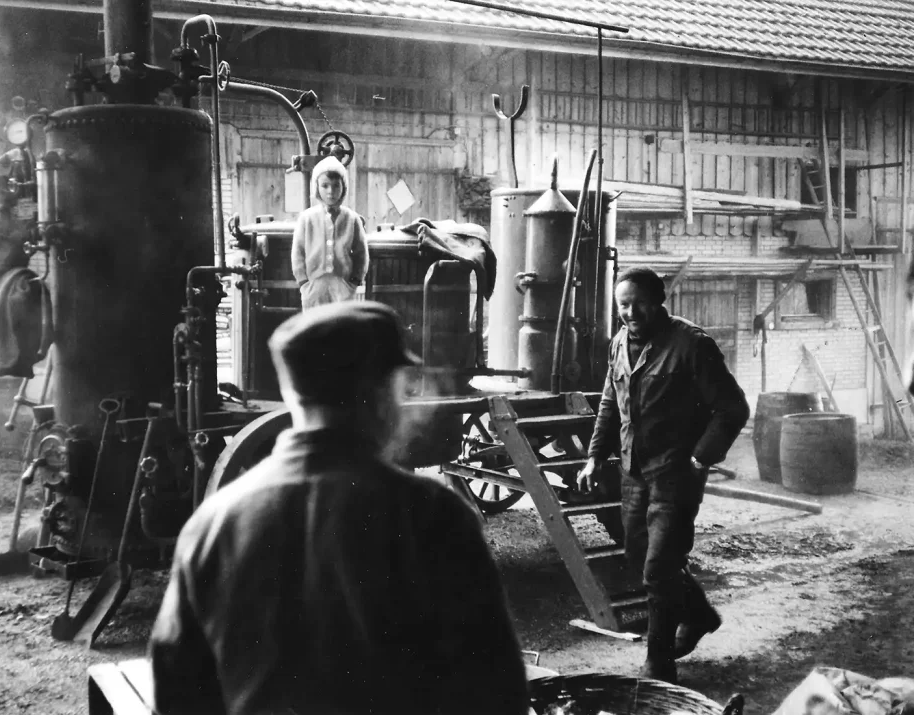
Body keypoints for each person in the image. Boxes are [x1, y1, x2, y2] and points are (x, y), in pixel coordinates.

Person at [150, 301, 529, 715]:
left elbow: (177, 692)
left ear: (289, 391)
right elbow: (496, 690)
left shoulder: (211, 523)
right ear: (381, 393)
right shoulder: (433, 514)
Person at [577, 267, 750, 684]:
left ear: (659, 302)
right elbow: (608, 402)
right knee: (640, 558)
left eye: (639, 303)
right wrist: (595, 456)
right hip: (634, 473)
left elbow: (733, 407)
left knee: (658, 568)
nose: (630, 312)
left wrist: (700, 457)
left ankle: (659, 661)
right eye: (623, 304)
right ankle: (700, 615)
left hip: (676, 475)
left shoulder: (691, 344)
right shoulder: (619, 343)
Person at [291, 156, 369, 310]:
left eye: (336, 186)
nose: (330, 191)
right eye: (325, 185)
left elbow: (362, 253)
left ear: (344, 187)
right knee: (315, 328)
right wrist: (303, 282)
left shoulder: (352, 219)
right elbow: (297, 253)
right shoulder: (306, 218)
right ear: (316, 187)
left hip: (343, 287)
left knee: (341, 327)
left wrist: (354, 281)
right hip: (313, 287)